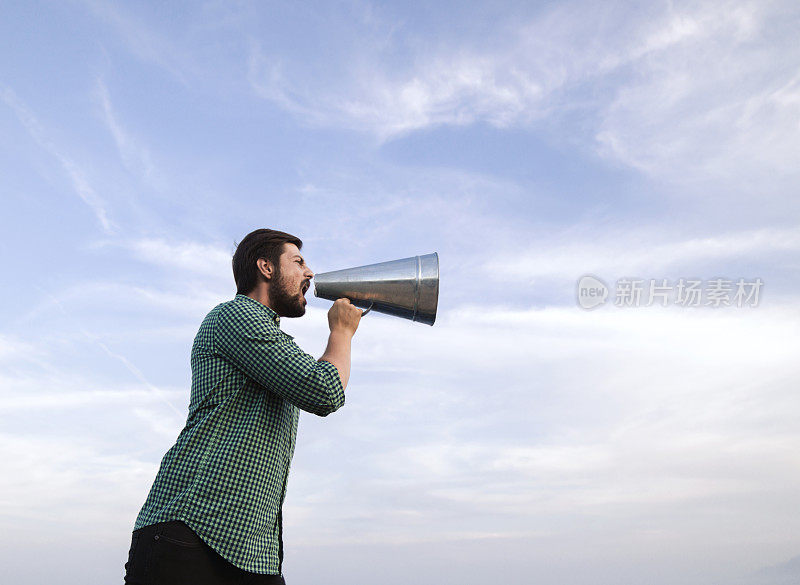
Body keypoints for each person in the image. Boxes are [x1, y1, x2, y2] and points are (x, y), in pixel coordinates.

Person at [123, 228, 362, 585]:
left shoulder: (271, 337)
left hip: (252, 551)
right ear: (266, 267)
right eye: (298, 262)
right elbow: (323, 390)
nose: (310, 273)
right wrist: (341, 332)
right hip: (191, 533)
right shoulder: (235, 316)